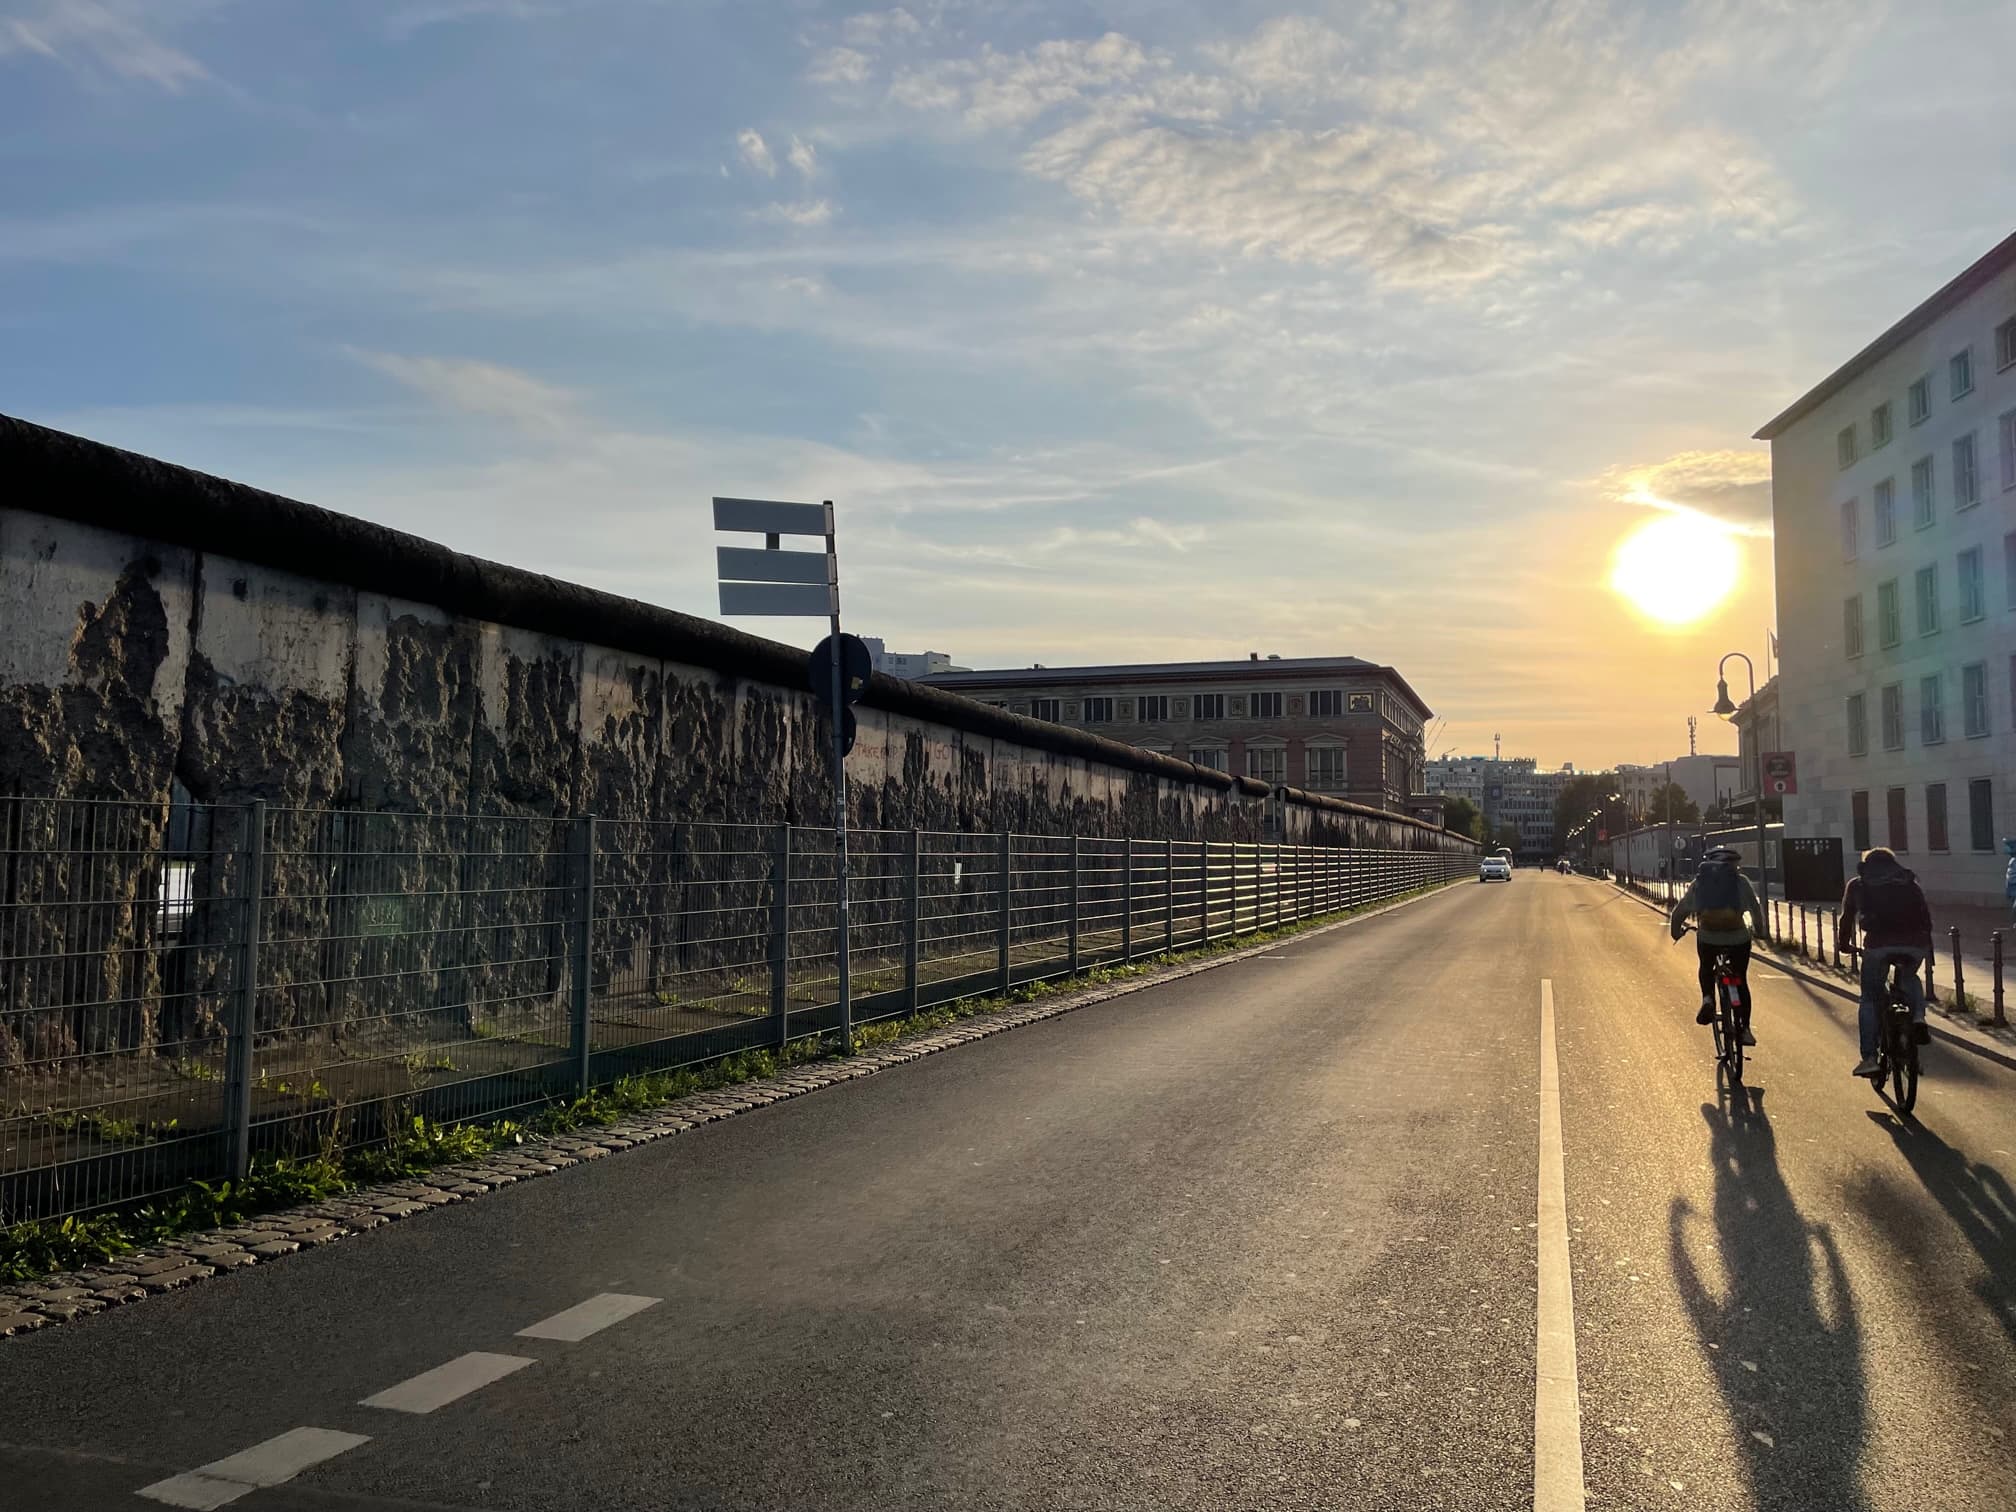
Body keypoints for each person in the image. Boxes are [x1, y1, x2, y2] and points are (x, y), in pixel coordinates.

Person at [1838, 846, 1933, 1078]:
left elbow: (1847, 918)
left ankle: (1869, 1057)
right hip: (1915, 943)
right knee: (1910, 977)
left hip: (1879, 945)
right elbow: (1925, 917)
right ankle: (1919, 1017)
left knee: (1870, 997)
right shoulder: (1909, 881)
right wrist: (1927, 950)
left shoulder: (1858, 884)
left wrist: (1844, 945)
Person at [1669, 847, 1763, 1045]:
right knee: (1741, 980)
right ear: (1735, 865)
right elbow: (1755, 909)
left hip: (1709, 938)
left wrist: (1675, 931)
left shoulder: (1699, 883)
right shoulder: (1741, 882)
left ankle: (1708, 999)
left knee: (1706, 968)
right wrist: (1761, 931)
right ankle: (1745, 1029)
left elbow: (1680, 911)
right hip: (1738, 939)